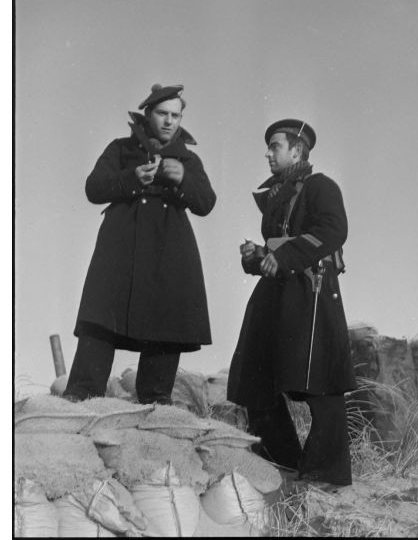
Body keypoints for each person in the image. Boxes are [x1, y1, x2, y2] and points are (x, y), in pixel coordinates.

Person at [63, 83, 216, 404]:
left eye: (175, 115)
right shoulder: (120, 149)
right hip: (120, 249)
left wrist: (183, 179)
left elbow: (206, 203)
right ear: (148, 114)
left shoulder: (188, 159)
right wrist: (132, 178)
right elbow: (94, 188)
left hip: (169, 252)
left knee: (166, 324)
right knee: (101, 318)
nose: (169, 121)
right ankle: (81, 396)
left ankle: (155, 405)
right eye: (162, 113)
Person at [227, 119, 357, 486]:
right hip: (277, 294)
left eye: (275, 146)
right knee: (254, 377)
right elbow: (278, 247)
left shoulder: (321, 186)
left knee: (321, 384)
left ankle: (325, 473)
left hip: (311, 292)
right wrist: (257, 255)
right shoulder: (278, 194)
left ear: (297, 151)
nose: (268, 154)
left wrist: (284, 255)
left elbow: (333, 230)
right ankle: (279, 460)